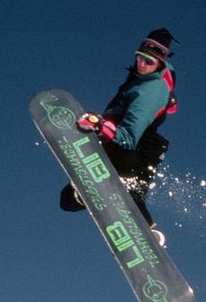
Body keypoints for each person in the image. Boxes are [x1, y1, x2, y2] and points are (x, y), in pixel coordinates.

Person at [60, 28, 178, 246]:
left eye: (149, 62)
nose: (142, 64)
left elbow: (129, 137)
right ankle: (84, 193)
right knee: (66, 200)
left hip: (138, 152)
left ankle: (149, 235)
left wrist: (101, 125)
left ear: (160, 63)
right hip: (119, 145)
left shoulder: (151, 91)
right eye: (140, 57)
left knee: (128, 190)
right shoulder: (142, 77)